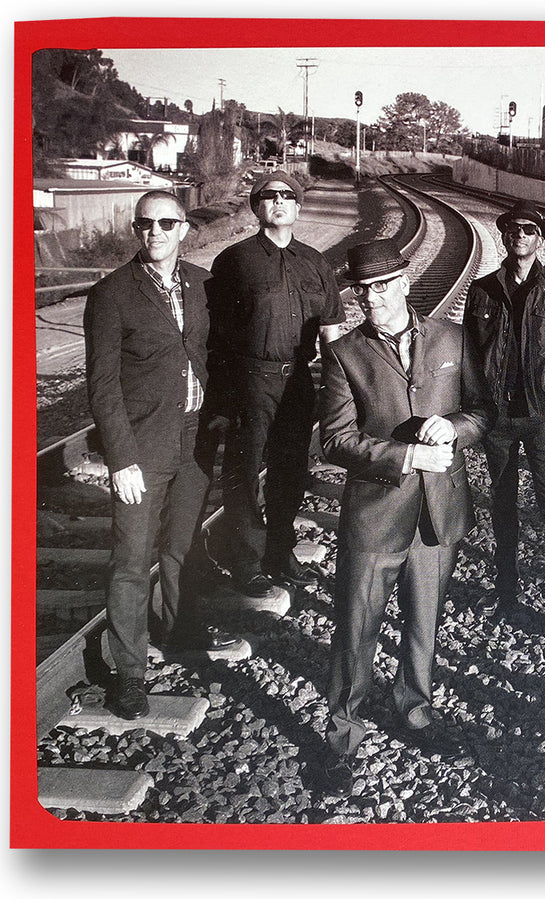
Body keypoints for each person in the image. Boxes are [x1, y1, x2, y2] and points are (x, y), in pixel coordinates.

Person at [316, 238, 493, 796]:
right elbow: (335, 440)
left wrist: (456, 429)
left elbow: (481, 411)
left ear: (405, 284)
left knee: (424, 623)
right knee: (356, 628)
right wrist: (406, 455)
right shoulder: (346, 353)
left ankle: (415, 711)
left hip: (438, 513)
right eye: (364, 291)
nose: (373, 299)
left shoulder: (452, 338)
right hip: (375, 514)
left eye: (383, 287)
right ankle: (343, 732)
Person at [84, 190, 240, 720]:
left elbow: (215, 353)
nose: (155, 232)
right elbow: (102, 385)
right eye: (145, 224)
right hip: (142, 445)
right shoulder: (112, 294)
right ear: (136, 229)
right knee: (131, 561)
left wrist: (219, 409)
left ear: (184, 230)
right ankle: (130, 674)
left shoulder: (203, 285)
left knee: (182, 545)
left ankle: (181, 631)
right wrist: (120, 458)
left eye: (166, 224)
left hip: (195, 438)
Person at [207, 172, 346, 597]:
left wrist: (339, 386)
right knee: (245, 469)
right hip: (251, 378)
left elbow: (333, 329)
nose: (279, 201)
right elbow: (216, 333)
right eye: (268, 196)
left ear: (299, 207)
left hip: (299, 380)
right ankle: (247, 560)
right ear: (256, 207)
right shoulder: (234, 261)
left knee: (290, 470)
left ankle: (279, 553)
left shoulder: (316, 263)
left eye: (288, 195)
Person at [463, 200, 545, 629]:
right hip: (496, 419)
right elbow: (468, 356)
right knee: (502, 508)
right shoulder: (482, 290)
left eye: (529, 229)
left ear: (540, 238)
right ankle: (506, 594)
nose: (520, 235)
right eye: (513, 228)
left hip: (541, 418)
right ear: (503, 235)